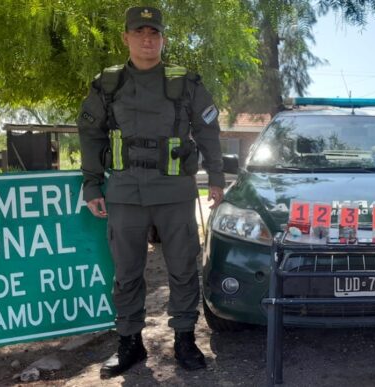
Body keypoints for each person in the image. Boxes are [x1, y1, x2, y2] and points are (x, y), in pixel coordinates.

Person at [77, 6, 225, 378]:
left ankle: (184, 340)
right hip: (125, 191)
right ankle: (129, 343)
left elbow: (208, 133)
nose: (148, 39)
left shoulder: (185, 82)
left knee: (182, 268)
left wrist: (218, 180)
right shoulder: (107, 84)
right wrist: (92, 182)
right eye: (140, 33)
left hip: (175, 191)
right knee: (126, 272)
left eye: (154, 33)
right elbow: (91, 134)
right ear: (126, 38)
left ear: (163, 38)